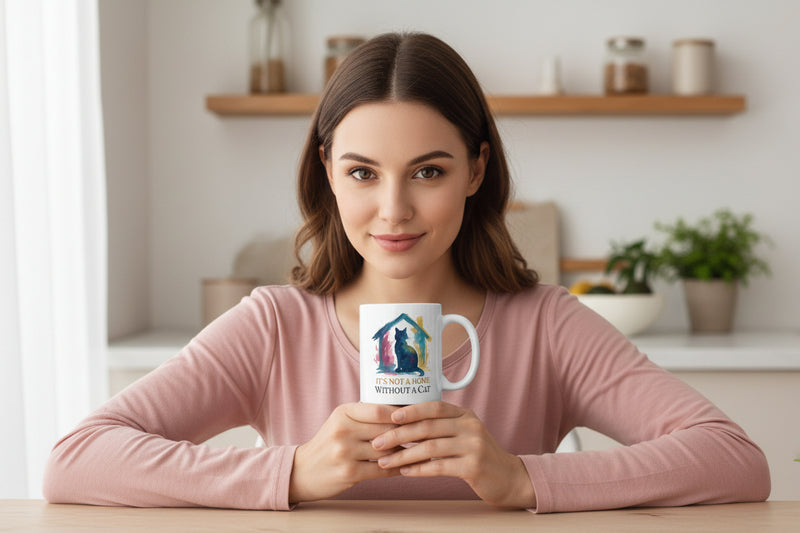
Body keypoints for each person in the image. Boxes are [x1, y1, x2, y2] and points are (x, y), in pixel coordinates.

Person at [43, 32, 770, 513]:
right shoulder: (275, 326)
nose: (393, 210)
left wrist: (523, 477)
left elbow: (734, 459)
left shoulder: (545, 324)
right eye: (363, 172)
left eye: (428, 170)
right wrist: (289, 472)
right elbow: (76, 460)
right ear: (328, 172)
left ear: (476, 169)